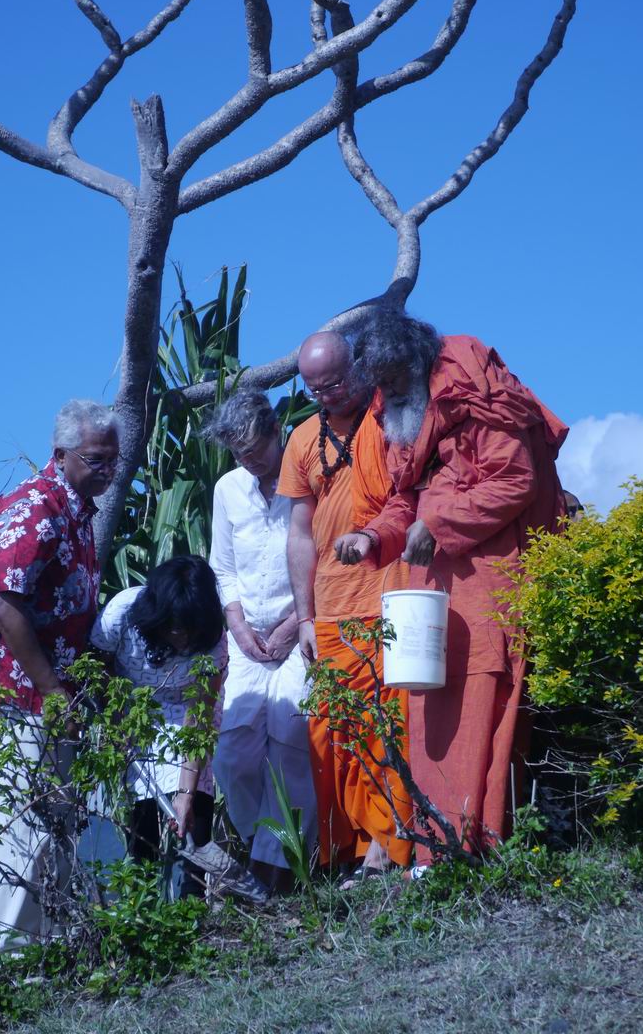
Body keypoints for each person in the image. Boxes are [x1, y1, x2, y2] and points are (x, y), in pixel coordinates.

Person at [335, 312, 567, 861]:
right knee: (426, 708)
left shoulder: (472, 386)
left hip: (492, 575)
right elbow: (406, 498)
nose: (388, 391)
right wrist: (372, 536)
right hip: (431, 581)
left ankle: (478, 851)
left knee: (482, 704)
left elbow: (515, 480)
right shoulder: (396, 409)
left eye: (394, 379)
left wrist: (437, 525)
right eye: (380, 382)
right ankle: (437, 856)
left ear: (417, 363)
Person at [0, 398, 121, 946]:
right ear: (61, 454)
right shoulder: (34, 506)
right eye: (96, 459)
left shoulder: (78, 510)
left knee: (55, 824)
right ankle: (8, 964)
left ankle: (47, 954)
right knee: (23, 830)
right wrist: (52, 691)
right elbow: (6, 604)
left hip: (49, 694)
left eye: (113, 460)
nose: (108, 470)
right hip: (11, 692)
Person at [277, 331, 412, 885]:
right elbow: (299, 534)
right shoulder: (302, 439)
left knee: (389, 722)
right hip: (331, 608)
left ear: (358, 367)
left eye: (334, 383)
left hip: (391, 594)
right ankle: (352, 849)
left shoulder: (393, 417)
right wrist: (305, 618)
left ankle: (388, 846)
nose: (326, 395)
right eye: (315, 389)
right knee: (333, 731)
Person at [205, 389, 317, 894]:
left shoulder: (307, 476)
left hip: (301, 627)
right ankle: (260, 843)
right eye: (239, 453)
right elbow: (223, 567)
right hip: (247, 637)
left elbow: (321, 557)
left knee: (292, 735)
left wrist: (295, 623)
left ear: (277, 431)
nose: (248, 461)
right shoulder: (229, 488)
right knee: (233, 753)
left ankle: (280, 868)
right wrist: (237, 625)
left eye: (255, 450)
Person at [90, 555, 227, 899]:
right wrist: (116, 722)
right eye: (175, 628)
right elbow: (97, 667)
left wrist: (185, 794)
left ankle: (192, 898)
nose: (182, 638)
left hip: (185, 706)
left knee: (196, 793)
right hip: (131, 704)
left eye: (190, 629)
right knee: (142, 798)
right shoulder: (122, 613)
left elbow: (199, 718)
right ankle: (144, 896)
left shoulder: (213, 640)